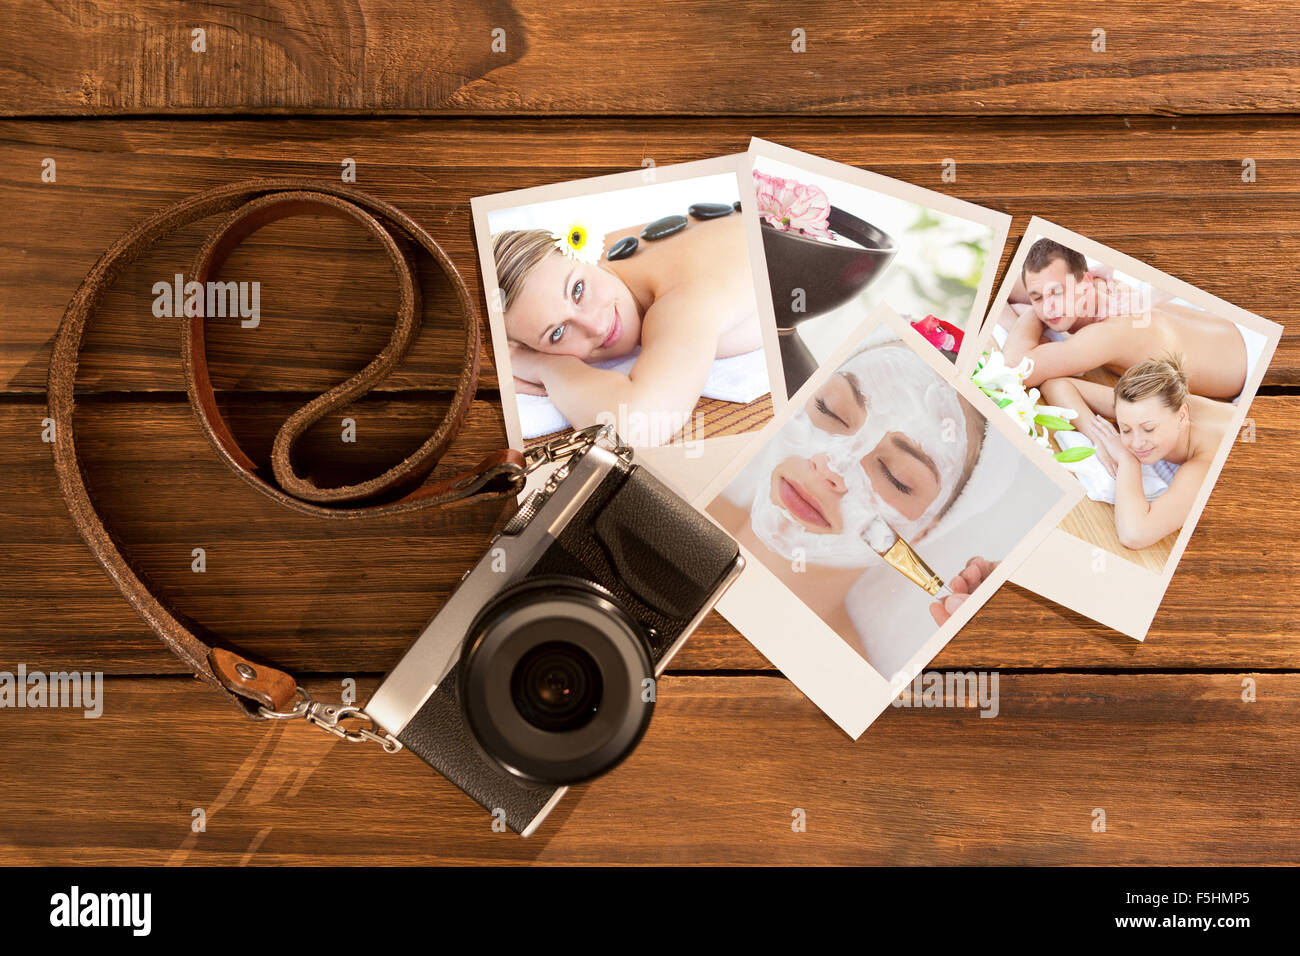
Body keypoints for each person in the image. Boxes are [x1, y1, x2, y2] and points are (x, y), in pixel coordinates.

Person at [708, 342, 992, 638]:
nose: (834, 464)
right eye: (831, 410)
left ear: (925, 531)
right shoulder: (677, 501)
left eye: (896, 477)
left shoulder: (843, 668)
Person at [493, 212, 762, 445]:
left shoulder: (682, 302)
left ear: (582, 252)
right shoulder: (608, 255)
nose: (596, 326)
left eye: (577, 290)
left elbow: (636, 427)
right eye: (557, 333)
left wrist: (542, 365)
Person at [1002, 238, 1257, 401]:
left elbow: (1014, 369)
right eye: (1037, 297)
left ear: (1085, 281)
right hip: (1225, 326)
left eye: (1057, 293)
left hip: (1250, 369)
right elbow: (1000, 280)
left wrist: (1031, 313)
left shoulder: (1106, 334)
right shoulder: (1095, 284)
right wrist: (1034, 310)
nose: (1048, 308)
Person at [1040, 354, 1234, 550]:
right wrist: (1099, 437)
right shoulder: (1157, 405)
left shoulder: (1206, 463)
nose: (1136, 443)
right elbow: (1056, 385)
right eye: (1125, 430)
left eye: (1149, 429)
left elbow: (1134, 535)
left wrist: (1127, 460)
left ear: (1182, 416)